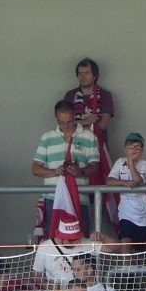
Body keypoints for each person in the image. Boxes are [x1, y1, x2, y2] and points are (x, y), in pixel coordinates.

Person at [32, 99, 101, 239]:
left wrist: (80, 171)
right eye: (62, 123)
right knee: (53, 240)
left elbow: (95, 167)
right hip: (53, 198)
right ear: (56, 118)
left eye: (69, 121)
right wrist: (54, 172)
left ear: (75, 115)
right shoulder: (47, 138)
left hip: (80, 198)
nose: (66, 126)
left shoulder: (89, 136)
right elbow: (35, 169)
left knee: (80, 240)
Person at [61, 59, 115, 187]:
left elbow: (102, 125)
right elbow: (64, 124)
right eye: (80, 73)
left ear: (94, 75)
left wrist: (77, 123)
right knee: (75, 184)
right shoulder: (70, 95)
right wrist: (87, 121)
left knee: (99, 186)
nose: (82, 76)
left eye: (86, 73)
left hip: (97, 147)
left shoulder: (105, 95)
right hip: (73, 147)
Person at [104, 133, 146, 248]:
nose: (134, 149)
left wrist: (131, 162)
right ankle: (126, 261)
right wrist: (123, 182)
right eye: (130, 146)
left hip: (144, 214)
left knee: (142, 250)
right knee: (125, 243)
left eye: (137, 147)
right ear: (125, 149)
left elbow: (137, 181)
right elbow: (109, 181)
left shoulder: (145, 164)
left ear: (142, 150)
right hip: (126, 212)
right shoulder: (120, 162)